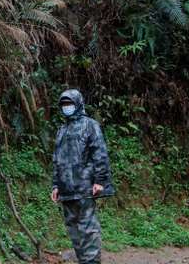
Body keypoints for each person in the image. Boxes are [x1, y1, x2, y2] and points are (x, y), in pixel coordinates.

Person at [52, 89, 114, 264]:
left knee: (88, 229)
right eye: (64, 104)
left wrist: (100, 181)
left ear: (78, 104)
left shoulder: (90, 125)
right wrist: (56, 185)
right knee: (73, 229)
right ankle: (83, 261)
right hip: (66, 190)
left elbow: (100, 153)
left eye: (69, 103)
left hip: (85, 187)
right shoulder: (62, 130)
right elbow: (57, 159)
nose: (67, 107)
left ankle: (92, 262)